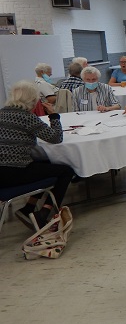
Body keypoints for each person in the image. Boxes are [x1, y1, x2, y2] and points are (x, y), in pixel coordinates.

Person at [0, 80, 74, 230]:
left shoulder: (2, 113)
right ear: (33, 100)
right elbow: (55, 138)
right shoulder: (27, 117)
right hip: (14, 173)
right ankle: (44, 213)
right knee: (66, 171)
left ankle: (28, 209)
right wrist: (54, 116)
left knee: (45, 164)